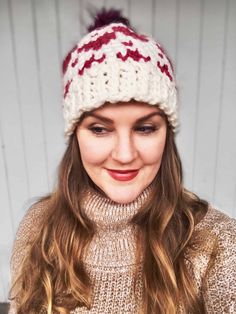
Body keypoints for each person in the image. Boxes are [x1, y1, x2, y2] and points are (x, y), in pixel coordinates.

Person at [8, 8, 236, 314]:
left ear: (167, 134)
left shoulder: (219, 245)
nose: (125, 155)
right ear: (75, 136)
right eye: (100, 129)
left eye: (145, 128)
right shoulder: (37, 229)